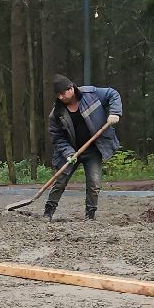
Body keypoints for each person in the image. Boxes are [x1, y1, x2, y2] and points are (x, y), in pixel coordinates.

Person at [43, 74, 122, 221]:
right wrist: (68, 152)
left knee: (94, 183)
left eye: (63, 93)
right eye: (58, 95)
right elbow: (57, 138)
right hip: (70, 151)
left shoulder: (91, 94)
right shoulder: (56, 113)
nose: (61, 97)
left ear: (71, 88)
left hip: (93, 149)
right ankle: (48, 212)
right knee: (60, 181)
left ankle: (90, 216)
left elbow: (113, 94)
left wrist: (115, 112)